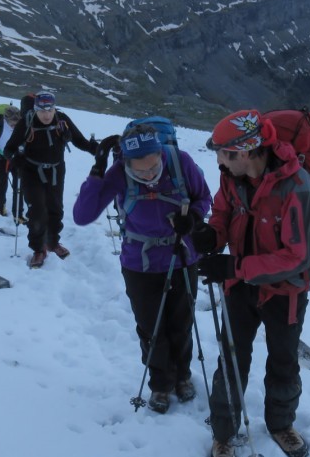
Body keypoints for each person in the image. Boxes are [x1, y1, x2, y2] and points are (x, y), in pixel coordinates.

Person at [193, 109, 310, 457]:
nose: (218, 160)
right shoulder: (231, 178)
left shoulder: (299, 188)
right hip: (240, 286)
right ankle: (223, 430)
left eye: (223, 152)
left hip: (286, 292)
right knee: (232, 357)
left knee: (283, 358)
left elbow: (298, 256)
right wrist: (210, 235)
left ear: (246, 152)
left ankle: (281, 424)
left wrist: (235, 266)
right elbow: (222, 214)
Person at [73, 123, 212, 414]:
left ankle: (183, 376)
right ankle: (161, 383)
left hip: (182, 255)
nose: (149, 175)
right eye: (141, 170)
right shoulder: (120, 171)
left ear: (161, 153)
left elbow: (204, 197)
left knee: (181, 322)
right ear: (127, 163)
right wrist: (97, 172)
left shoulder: (179, 161)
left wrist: (194, 219)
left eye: (153, 166)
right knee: (151, 328)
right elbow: (83, 216)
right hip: (140, 263)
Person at [4, 92, 98, 268]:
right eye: (42, 111)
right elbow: (9, 148)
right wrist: (15, 159)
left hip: (56, 170)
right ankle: (39, 249)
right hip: (31, 171)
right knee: (37, 210)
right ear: (35, 110)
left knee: (55, 208)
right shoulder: (27, 122)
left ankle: (53, 242)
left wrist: (96, 150)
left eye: (50, 110)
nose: (46, 115)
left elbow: (79, 140)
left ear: (55, 108)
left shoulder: (62, 120)